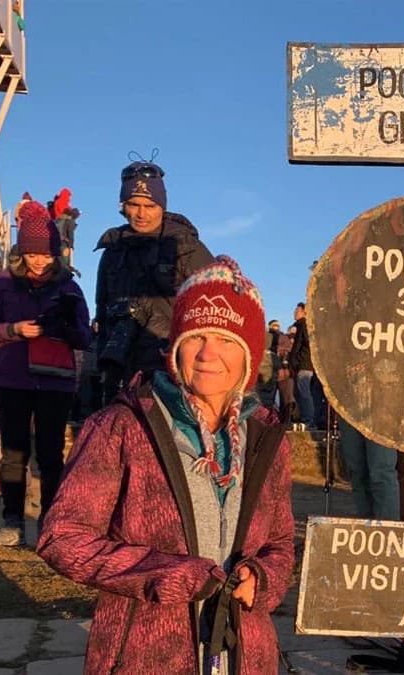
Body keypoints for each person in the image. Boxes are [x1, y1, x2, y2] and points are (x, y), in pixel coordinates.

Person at [38, 256, 294, 674]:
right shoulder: (119, 427)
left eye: (227, 340)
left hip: (244, 652)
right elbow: (62, 537)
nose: (209, 354)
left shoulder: (267, 438)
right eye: (197, 337)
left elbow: (281, 543)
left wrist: (261, 578)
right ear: (174, 347)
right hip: (144, 653)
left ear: (249, 357)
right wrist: (165, 574)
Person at [0, 201, 92, 546]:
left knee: (51, 454)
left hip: (55, 379)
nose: (39, 261)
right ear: (20, 252)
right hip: (12, 378)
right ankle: (11, 521)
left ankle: (49, 522)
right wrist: (13, 330)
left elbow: (85, 337)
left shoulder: (70, 287)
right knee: (13, 452)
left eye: (46, 255)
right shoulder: (1, 283)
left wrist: (65, 327)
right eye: (32, 254)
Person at [94, 160, 213, 407]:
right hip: (122, 365)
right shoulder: (113, 251)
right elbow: (102, 311)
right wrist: (104, 361)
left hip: (172, 366)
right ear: (122, 206)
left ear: (162, 206)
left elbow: (212, 308)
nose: (141, 213)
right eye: (133, 205)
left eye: (150, 205)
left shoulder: (185, 247)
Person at [337, 416, 400, 520]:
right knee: (357, 473)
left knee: (382, 473)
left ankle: (387, 528)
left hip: (381, 410)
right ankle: (366, 528)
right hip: (348, 408)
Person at [287, 302, 322, 429]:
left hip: (304, 364)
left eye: (298, 310)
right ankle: (305, 417)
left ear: (305, 312)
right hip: (300, 364)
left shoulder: (305, 326)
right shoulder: (299, 326)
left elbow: (307, 343)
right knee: (300, 392)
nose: (295, 313)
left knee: (304, 392)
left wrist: (297, 358)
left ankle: (309, 419)